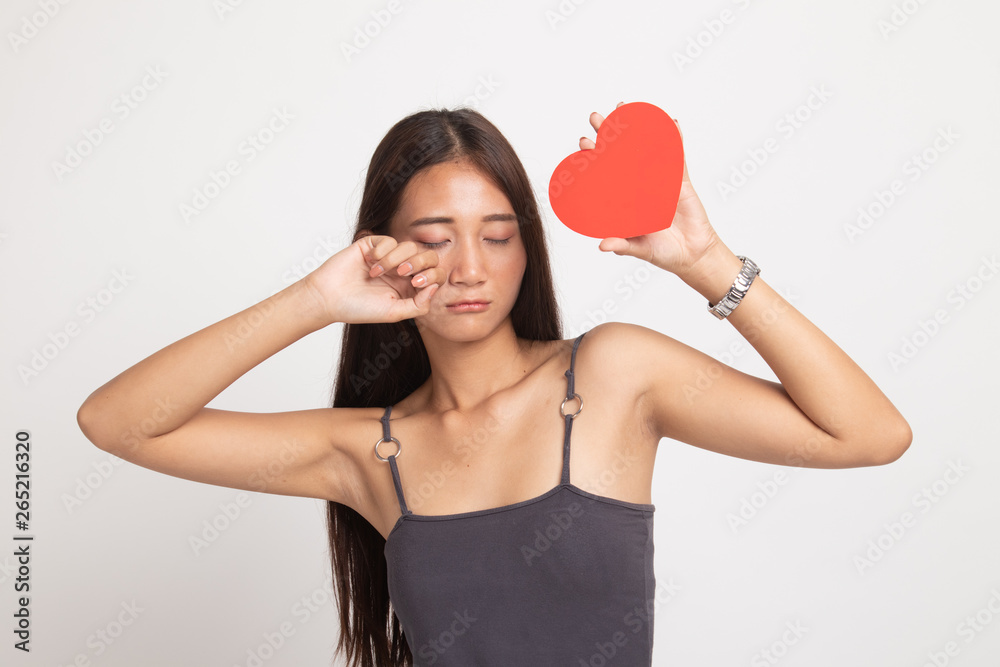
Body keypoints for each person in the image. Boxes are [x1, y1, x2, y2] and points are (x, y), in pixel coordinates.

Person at [77, 103, 912, 667]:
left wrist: (707, 264)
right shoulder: (368, 450)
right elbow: (117, 422)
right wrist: (315, 300)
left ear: (527, 247)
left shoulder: (614, 374)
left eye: (499, 235)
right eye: (435, 238)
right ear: (382, 248)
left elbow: (871, 434)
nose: (470, 268)